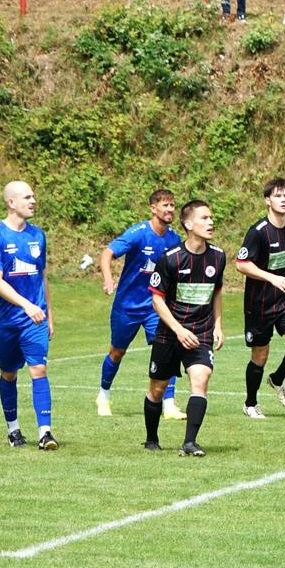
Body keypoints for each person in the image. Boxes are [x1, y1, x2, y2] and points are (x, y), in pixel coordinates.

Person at [144, 200, 226, 457]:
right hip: (170, 334)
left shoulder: (218, 256)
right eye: (204, 218)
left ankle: (189, 443)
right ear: (188, 224)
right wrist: (179, 330)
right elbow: (157, 300)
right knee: (157, 389)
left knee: (200, 380)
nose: (210, 222)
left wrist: (218, 324)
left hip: (201, 332)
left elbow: (216, 292)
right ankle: (151, 438)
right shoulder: (170, 258)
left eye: (211, 217)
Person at [97, 189, 184, 420]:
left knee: (167, 349)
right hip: (128, 305)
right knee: (117, 352)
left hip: (156, 306)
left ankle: (169, 405)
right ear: (153, 208)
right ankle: (103, 396)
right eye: (165, 205)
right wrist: (108, 278)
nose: (170, 209)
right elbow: (107, 254)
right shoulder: (138, 233)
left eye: (172, 205)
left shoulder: (174, 239)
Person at [0, 181, 57, 450]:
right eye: (27, 197)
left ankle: (45, 433)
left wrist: (48, 313)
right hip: (4, 321)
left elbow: (42, 276)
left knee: (39, 369)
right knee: (9, 374)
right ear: (11, 203)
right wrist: (26, 305)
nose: (33, 201)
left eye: (33, 196)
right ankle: (13, 430)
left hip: (34, 319)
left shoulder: (38, 235)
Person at [236, 178, 285, 419]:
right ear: (267, 200)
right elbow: (241, 264)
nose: (283, 200)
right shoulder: (258, 232)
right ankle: (250, 404)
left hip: (283, 300)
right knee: (260, 356)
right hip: (259, 303)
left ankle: (277, 379)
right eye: (277, 196)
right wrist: (272, 278)